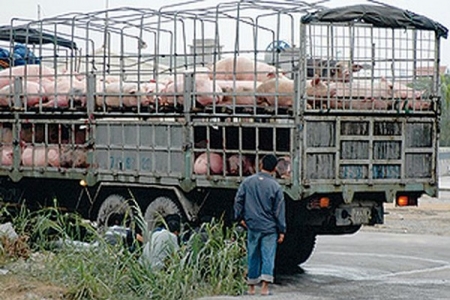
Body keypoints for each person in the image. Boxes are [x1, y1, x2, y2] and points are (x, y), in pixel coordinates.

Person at [234, 154, 286, 296]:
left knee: (252, 255)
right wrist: (282, 230)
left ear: (261, 165)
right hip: (269, 228)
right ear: (275, 168)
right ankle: (264, 289)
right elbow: (279, 211)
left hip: (252, 226)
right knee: (268, 255)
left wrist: (239, 218)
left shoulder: (248, 182)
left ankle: (251, 288)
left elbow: (238, 200)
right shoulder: (275, 187)